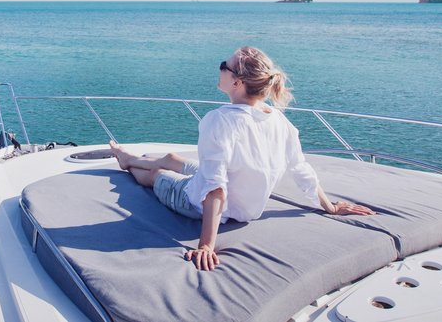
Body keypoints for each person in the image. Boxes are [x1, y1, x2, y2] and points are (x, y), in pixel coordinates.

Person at [109, 46, 375, 271]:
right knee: (171, 158)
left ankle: (127, 163)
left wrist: (206, 245)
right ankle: (139, 157)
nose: (220, 66)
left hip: (197, 202)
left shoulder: (219, 121)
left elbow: (215, 188)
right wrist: (328, 206)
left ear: (237, 82)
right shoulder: (278, 119)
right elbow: (300, 168)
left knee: (156, 177)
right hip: (245, 205)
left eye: (225, 65)